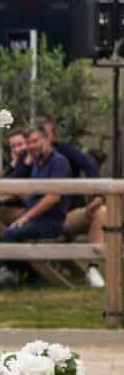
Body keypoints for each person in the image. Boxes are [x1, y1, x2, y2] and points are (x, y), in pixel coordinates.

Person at [0, 123, 71, 289]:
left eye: (35, 141)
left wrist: (26, 217)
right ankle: (4, 273)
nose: (31, 146)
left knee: (10, 232)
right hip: (35, 218)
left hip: (51, 222)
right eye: (29, 143)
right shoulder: (37, 163)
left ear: (46, 139)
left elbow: (53, 198)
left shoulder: (59, 162)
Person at [39, 117, 108, 287]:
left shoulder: (64, 153)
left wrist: (98, 196)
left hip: (64, 216)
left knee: (102, 212)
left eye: (44, 134)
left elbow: (89, 165)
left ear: (53, 136)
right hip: (34, 217)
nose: (39, 139)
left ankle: (92, 267)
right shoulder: (28, 157)